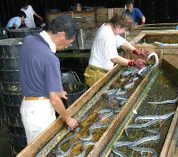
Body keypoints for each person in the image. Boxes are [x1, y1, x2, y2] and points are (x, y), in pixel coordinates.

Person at [19, 15, 79, 144]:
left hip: (28, 107)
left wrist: (58, 90)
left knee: (34, 148)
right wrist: (68, 119)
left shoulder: (28, 40)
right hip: (41, 112)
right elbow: (54, 100)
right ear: (62, 35)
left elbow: (35, 71)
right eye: (68, 43)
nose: (66, 47)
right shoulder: (51, 59)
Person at [84, 11, 149, 87]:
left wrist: (135, 51)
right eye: (125, 29)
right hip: (97, 73)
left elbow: (121, 41)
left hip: (98, 70)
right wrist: (133, 62)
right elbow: (114, 58)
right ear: (119, 25)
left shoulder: (108, 27)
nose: (123, 32)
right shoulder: (108, 35)